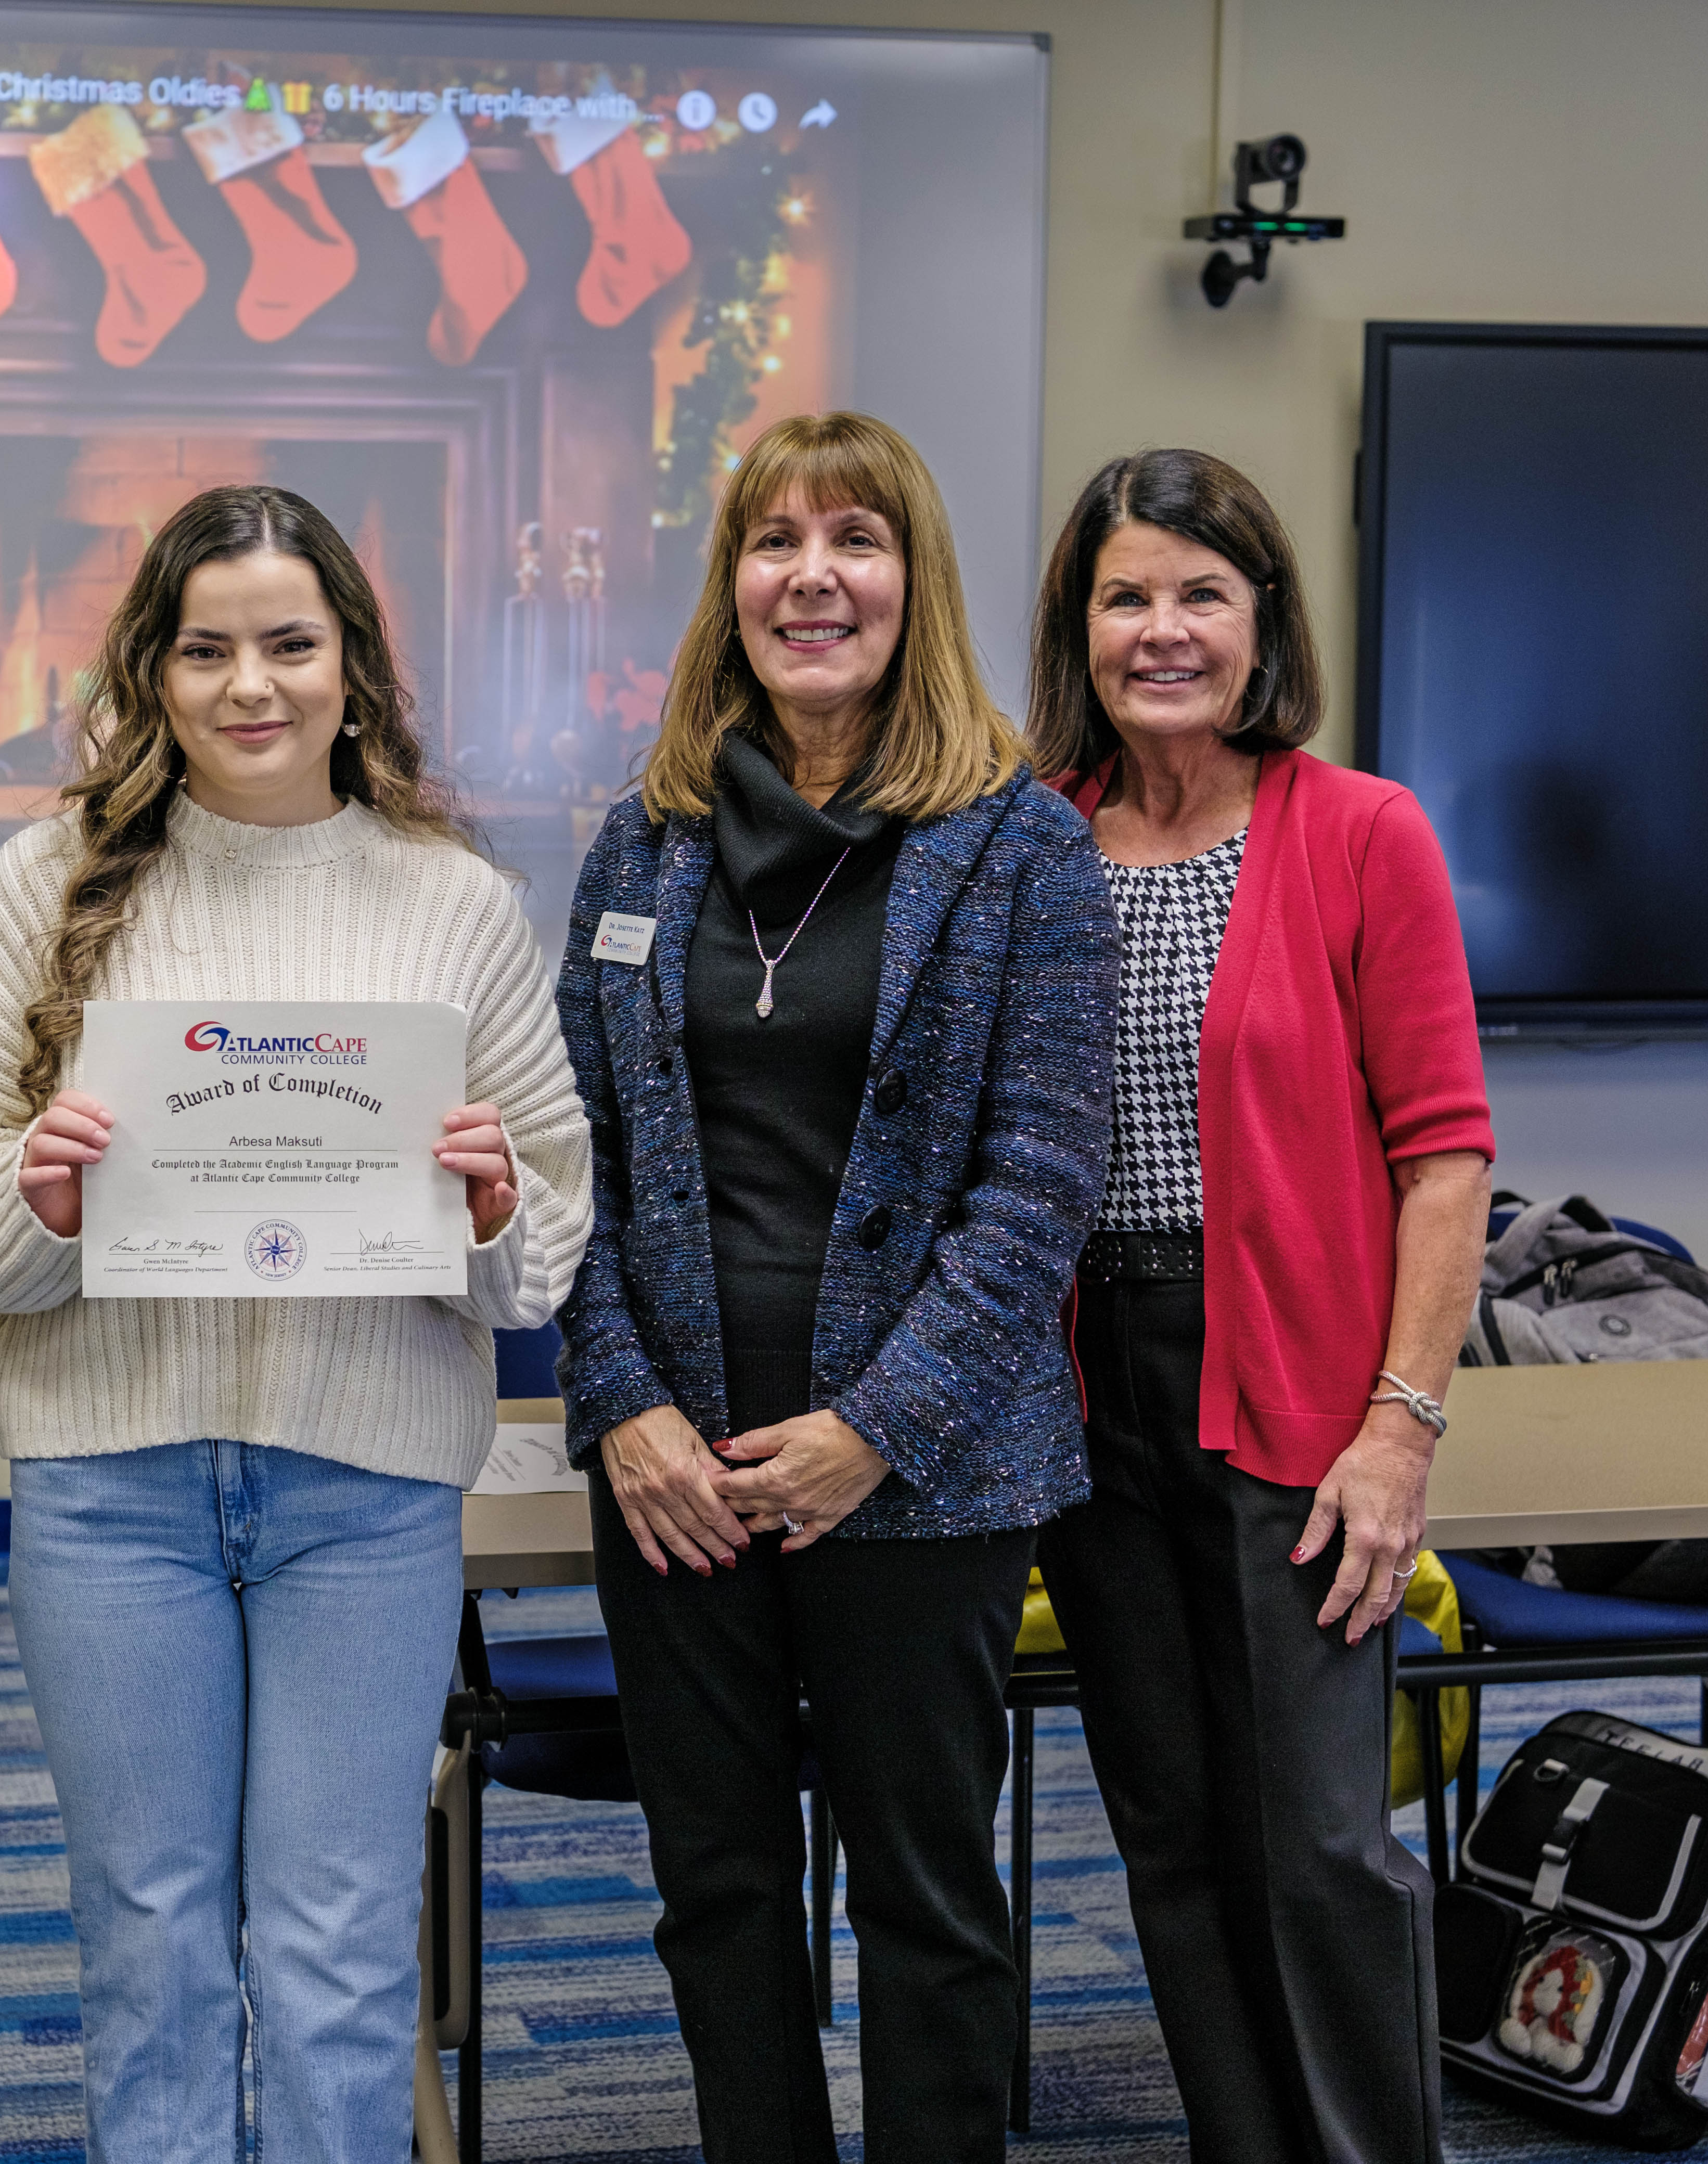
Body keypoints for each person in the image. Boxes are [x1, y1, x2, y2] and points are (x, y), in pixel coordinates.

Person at [0, 484, 592, 2163]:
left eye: (289, 643)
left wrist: (493, 1204)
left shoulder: (453, 905)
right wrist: (44, 1194)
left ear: (353, 665)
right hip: (108, 1488)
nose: (250, 687)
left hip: (363, 1497)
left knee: (341, 1949)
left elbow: (546, 1250)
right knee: (146, 1940)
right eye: (206, 649)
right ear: (154, 672)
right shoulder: (40, 883)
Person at [554, 410, 1118, 2162]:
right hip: (678, 1474)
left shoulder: (1020, 849)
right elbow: (571, 1165)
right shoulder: (639, 850)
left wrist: (875, 1431)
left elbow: (1043, 1186)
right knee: (716, 1887)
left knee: (928, 1898)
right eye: (774, 544)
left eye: (854, 541)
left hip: (924, 1475)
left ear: (912, 582)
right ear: (731, 591)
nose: (813, 577)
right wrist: (627, 1409)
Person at [1024, 447, 1494, 2164]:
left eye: (1200, 594)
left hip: (1297, 1386)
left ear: (1261, 618)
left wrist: (1401, 1424)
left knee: (1314, 1838)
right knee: (1169, 1826)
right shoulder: (1032, 836)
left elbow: (1444, 1157)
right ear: (1078, 624)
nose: (1162, 630)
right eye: (1125, 595)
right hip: (1085, 1395)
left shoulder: (1363, 832)